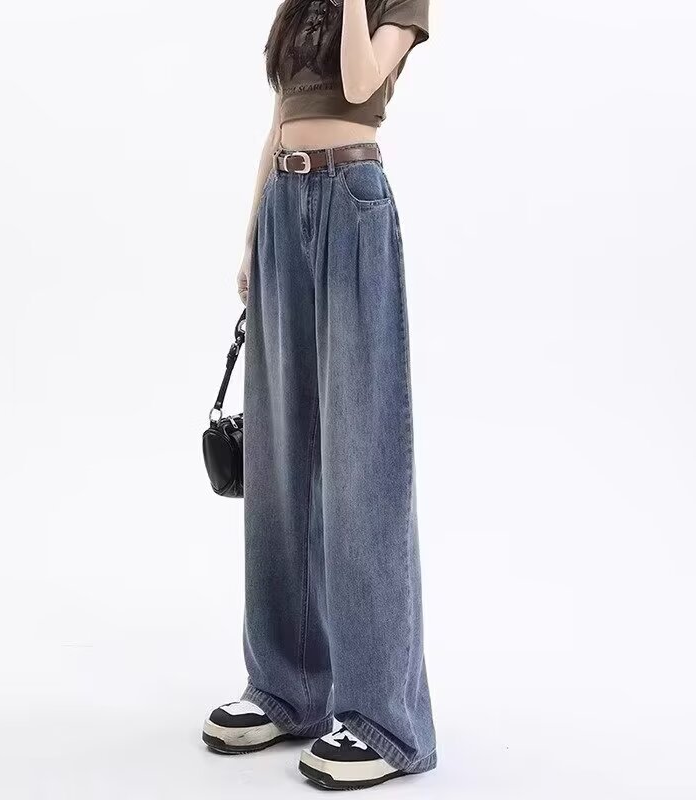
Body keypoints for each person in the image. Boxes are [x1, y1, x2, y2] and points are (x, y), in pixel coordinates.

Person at [202, 0, 436, 790]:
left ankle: (383, 720)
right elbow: (280, 120)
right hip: (285, 203)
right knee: (278, 458)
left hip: (353, 202)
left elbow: (362, 81)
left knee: (361, 459)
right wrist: (252, 232)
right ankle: (286, 687)